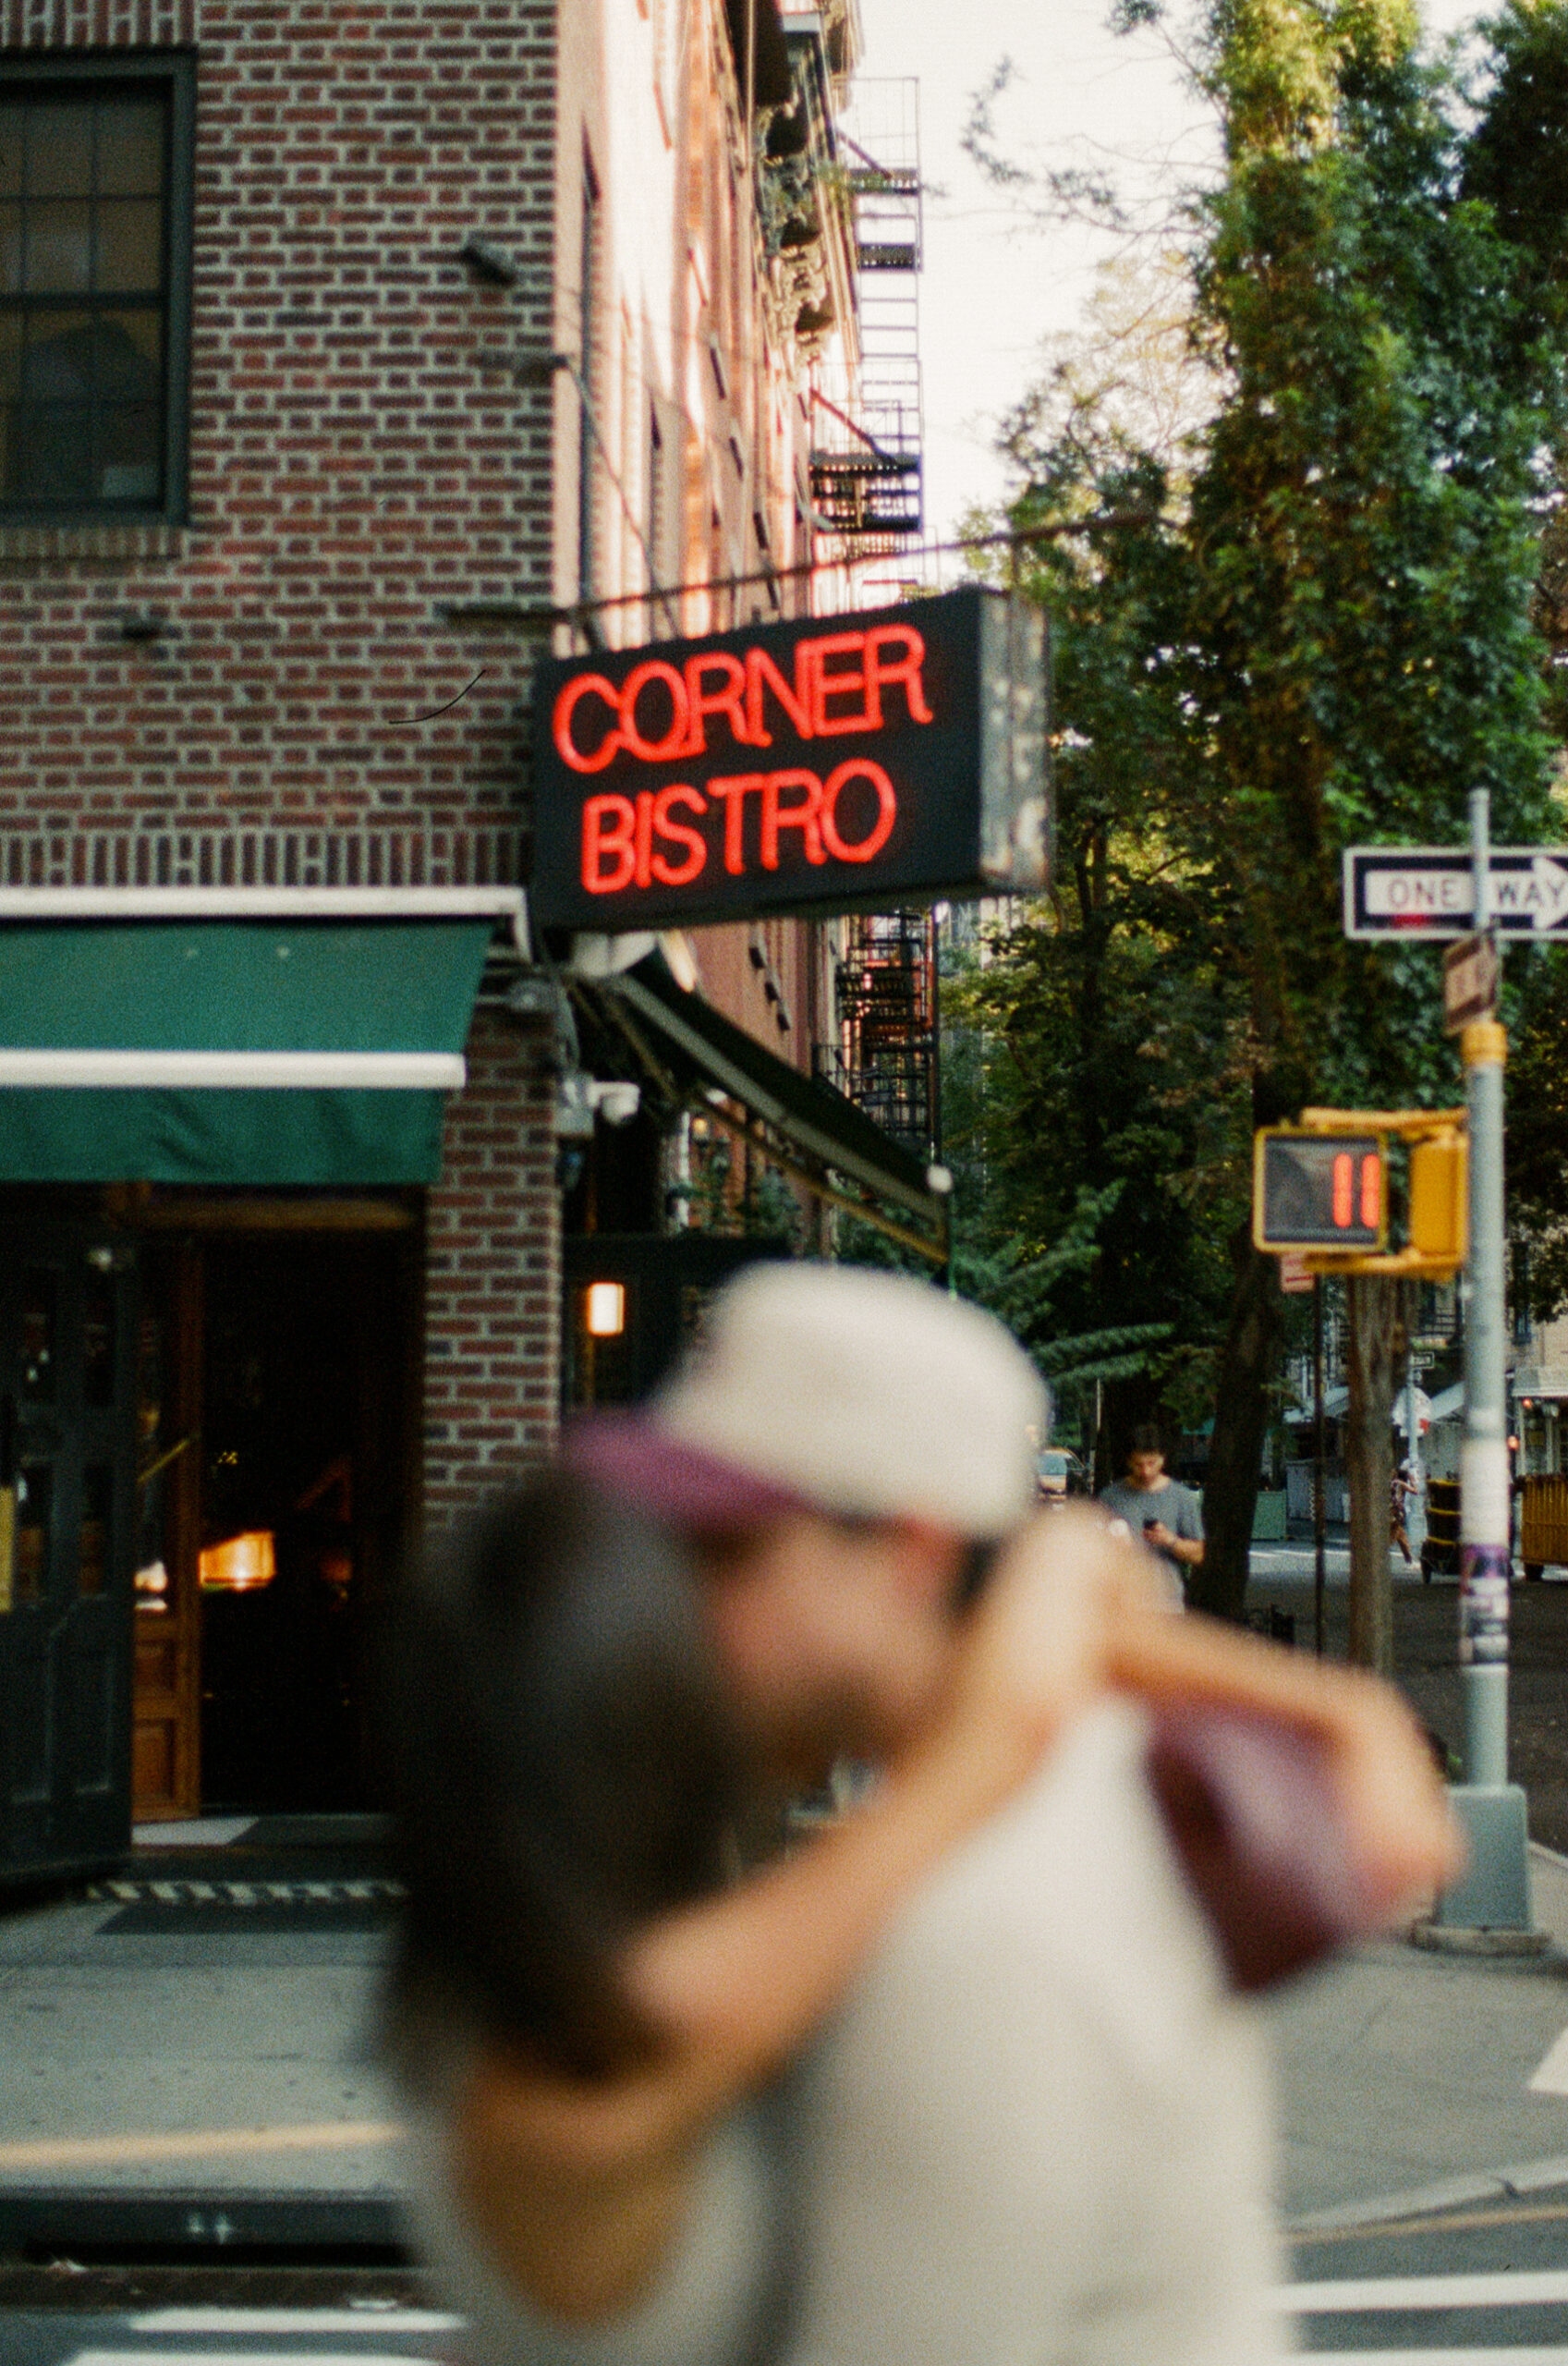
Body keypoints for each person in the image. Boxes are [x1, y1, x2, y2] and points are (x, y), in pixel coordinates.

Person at [380, 1262, 1461, 2366]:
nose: (679, 1597)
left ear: (908, 1551)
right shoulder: (933, 1831)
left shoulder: (979, 1928)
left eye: (727, 1548)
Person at [1097, 1422, 1205, 1598]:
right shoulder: (1110, 1497)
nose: (1146, 1471)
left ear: (1163, 1458)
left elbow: (1199, 1555)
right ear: (1128, 1461)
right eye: (1139, 1464)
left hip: (1166, 1604)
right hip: (1121, 1603)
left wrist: (1170, 1541)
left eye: (1151, 1463)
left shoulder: (1181, 1497)